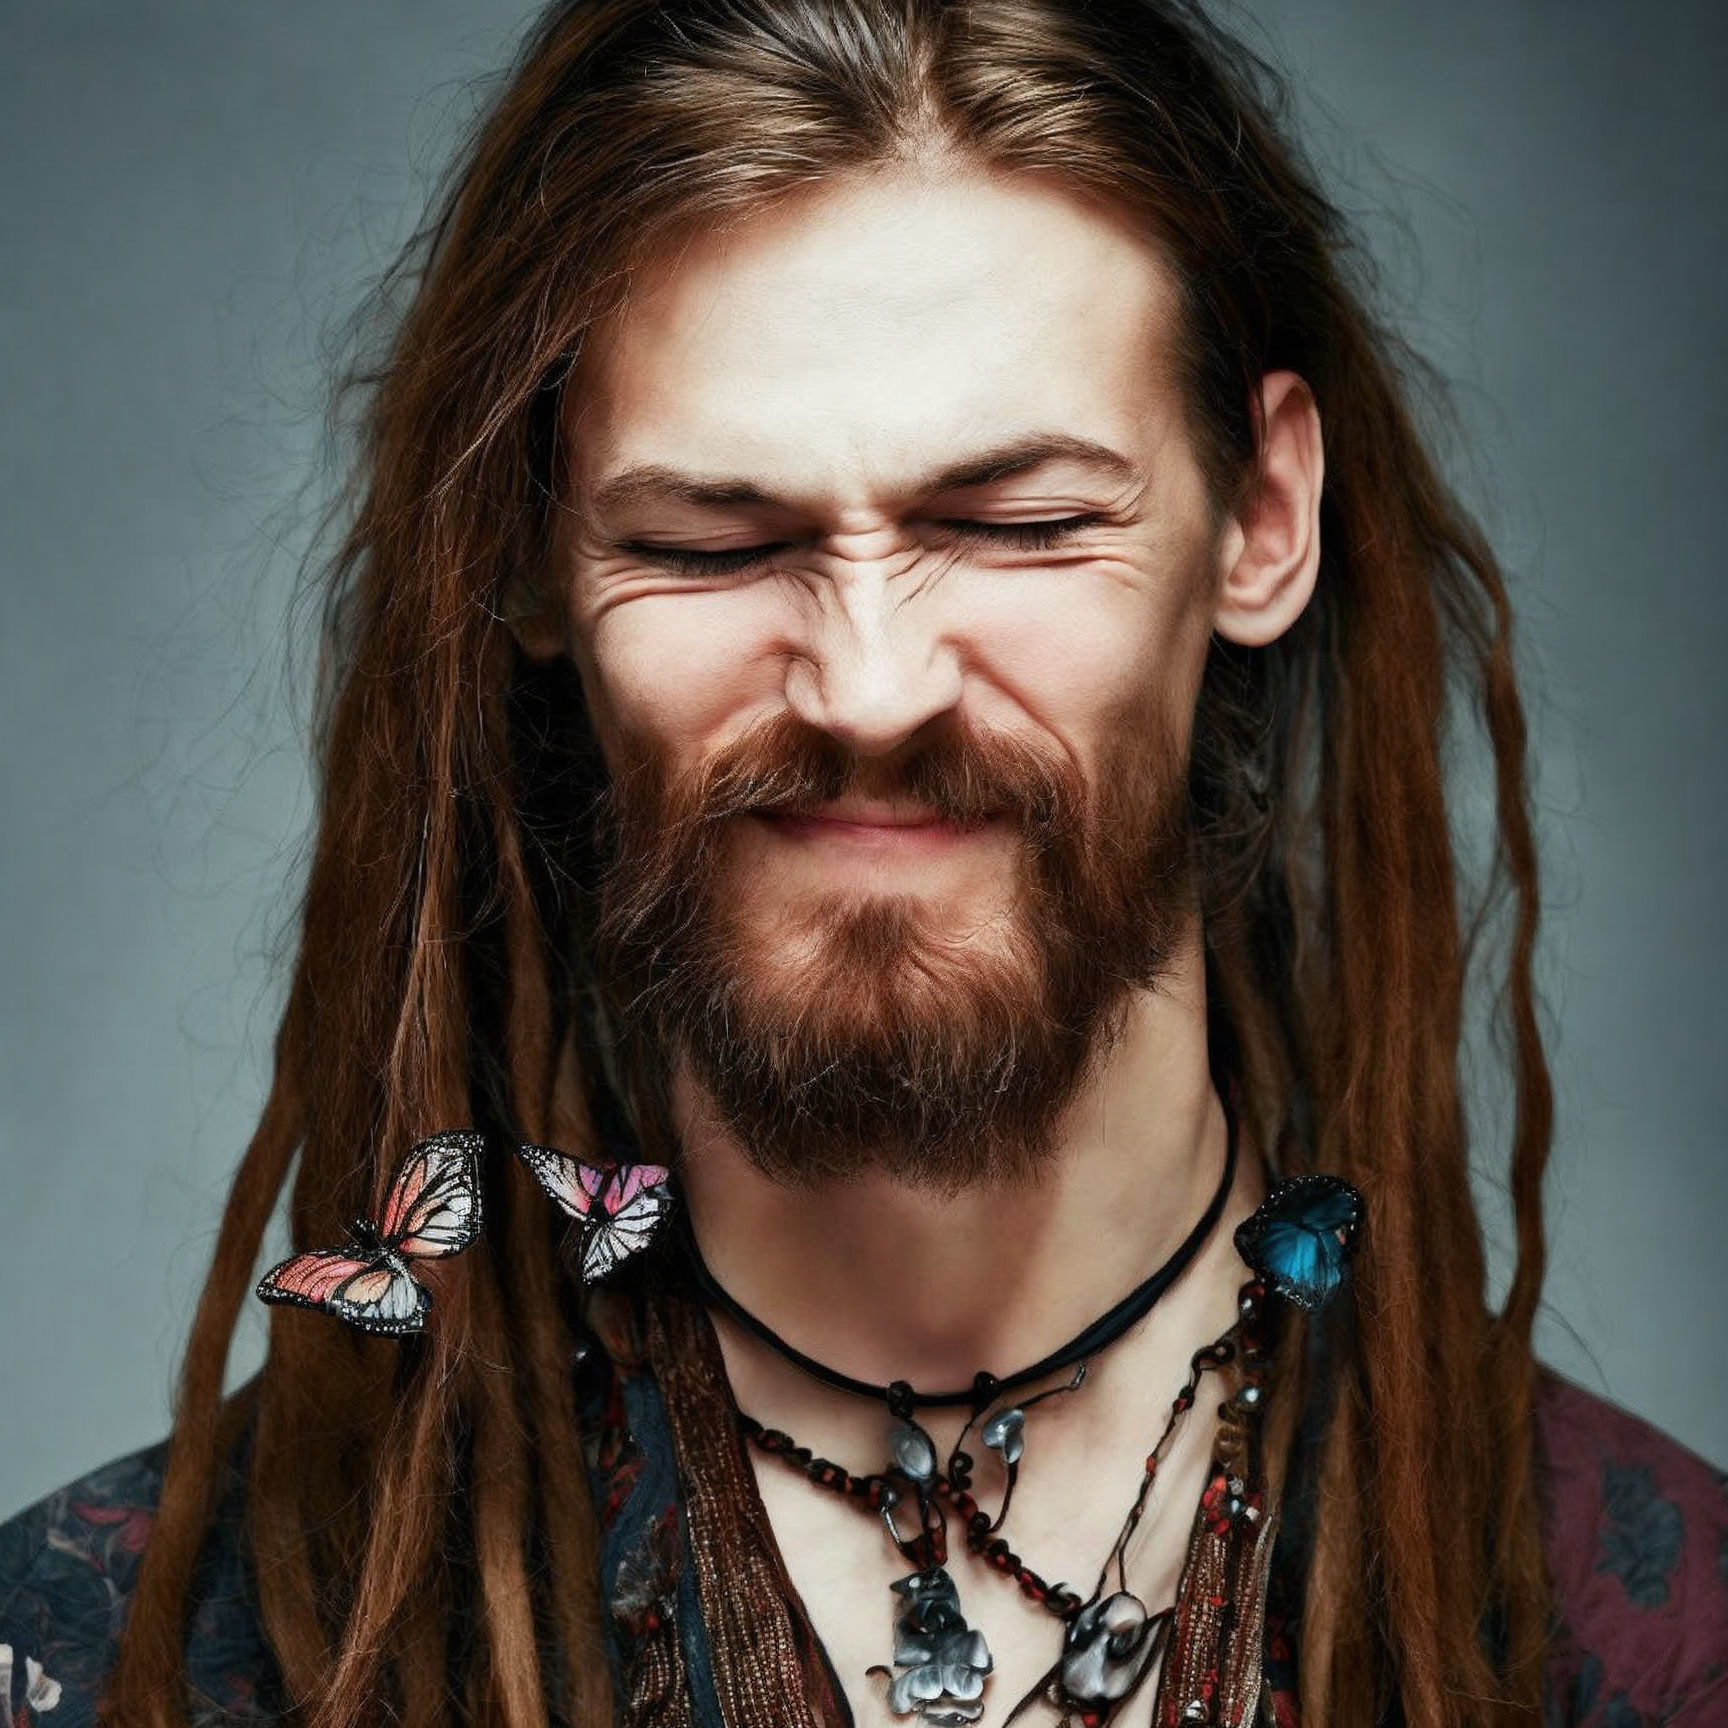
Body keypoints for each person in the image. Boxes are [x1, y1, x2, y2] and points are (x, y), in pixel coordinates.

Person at [2, 1, 1724, 1725]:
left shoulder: (1651, 1638)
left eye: (1023, 525)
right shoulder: (122, 1662)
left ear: (1262, 519)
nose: (874, 685)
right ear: (532, 562)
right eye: (710, 542)